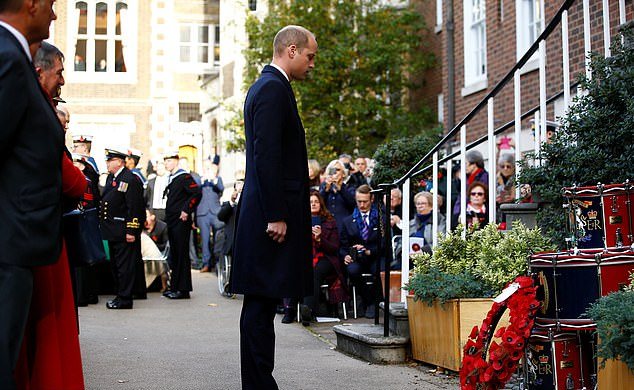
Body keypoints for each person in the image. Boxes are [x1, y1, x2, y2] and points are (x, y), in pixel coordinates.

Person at [229, 25, 317, 390]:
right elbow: (266, 157)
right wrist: (276, 215)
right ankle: (259, 384)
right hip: (268, 216)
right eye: (310, 56)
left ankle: (259, 382)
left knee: (262, 303)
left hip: (267, 211)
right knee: (260, 304)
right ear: (291, 50)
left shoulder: (273, 87)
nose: (312, 64)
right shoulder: (271, 89)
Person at [0, 1, 63, 387]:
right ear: (32, 4)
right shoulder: (8, 58)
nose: (54, 16)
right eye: (52, 5)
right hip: (7, 244)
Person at [99, 148, 146, 309]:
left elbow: (134, 208)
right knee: (116, 266)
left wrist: (131, 231)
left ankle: (125, 298)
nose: (107, 163)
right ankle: (120, 295)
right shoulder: (113, 178)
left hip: (123, 231)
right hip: (113, 231)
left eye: (109, 160)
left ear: (119, 162)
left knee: (124, 267)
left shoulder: (129, 179)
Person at [293, 190, 347, 324]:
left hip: (326, 258)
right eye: (310, 202)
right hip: (305, 257)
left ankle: (308, 310)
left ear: (321, 204)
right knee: (303, 269)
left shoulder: (330, 222)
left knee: (315, 271)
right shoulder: (299, 220)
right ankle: (290, 308)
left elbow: (334, 248)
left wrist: (319, 239)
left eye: (316, 201)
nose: (313, 204)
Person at [163, 151, 202, 300]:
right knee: (175, 254)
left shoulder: (184, 176)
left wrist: (187, 209)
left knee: (181, 255)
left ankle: (183, 289)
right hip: (173, 220)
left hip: (181, 221)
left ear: (176, 161)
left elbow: (196, 193)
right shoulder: (173, 178)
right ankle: (175, 286)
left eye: (169, 160)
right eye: (165, 161)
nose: (166, 163)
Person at [340, 184, 381, 319]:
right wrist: (345, 255)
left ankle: (375, 302)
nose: (362, 205)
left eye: (365, 201)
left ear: (372, 199)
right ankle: (368, 302)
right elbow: (342, 245)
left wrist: (369, 251)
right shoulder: (347, 221)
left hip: (375, 256)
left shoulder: (381, 218)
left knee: (379, 271)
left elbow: (385, 245)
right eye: (359, 201)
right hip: (356, 258)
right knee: (352, 271)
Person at [196, 157, 224, 273]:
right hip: (203, 214)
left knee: (218, 239)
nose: (208, 170)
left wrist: (213, 180)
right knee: (205, 240)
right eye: (206, 167)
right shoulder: (199, 180)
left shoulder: (218, 179)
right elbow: (195, 193)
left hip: (216, 213)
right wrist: (202, 181)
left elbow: (221, 189)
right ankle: (206, 263)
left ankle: (218, 262)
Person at [319, 159, 356, 233]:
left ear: (343, 173)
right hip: (327, 227)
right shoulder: (324, 186)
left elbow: (353, 204)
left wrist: (340, 187)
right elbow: (319, 204)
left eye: (338, 169)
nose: (334, 172)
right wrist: (326, 189)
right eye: (332, 169)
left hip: (344, 227)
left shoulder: (350, 186)